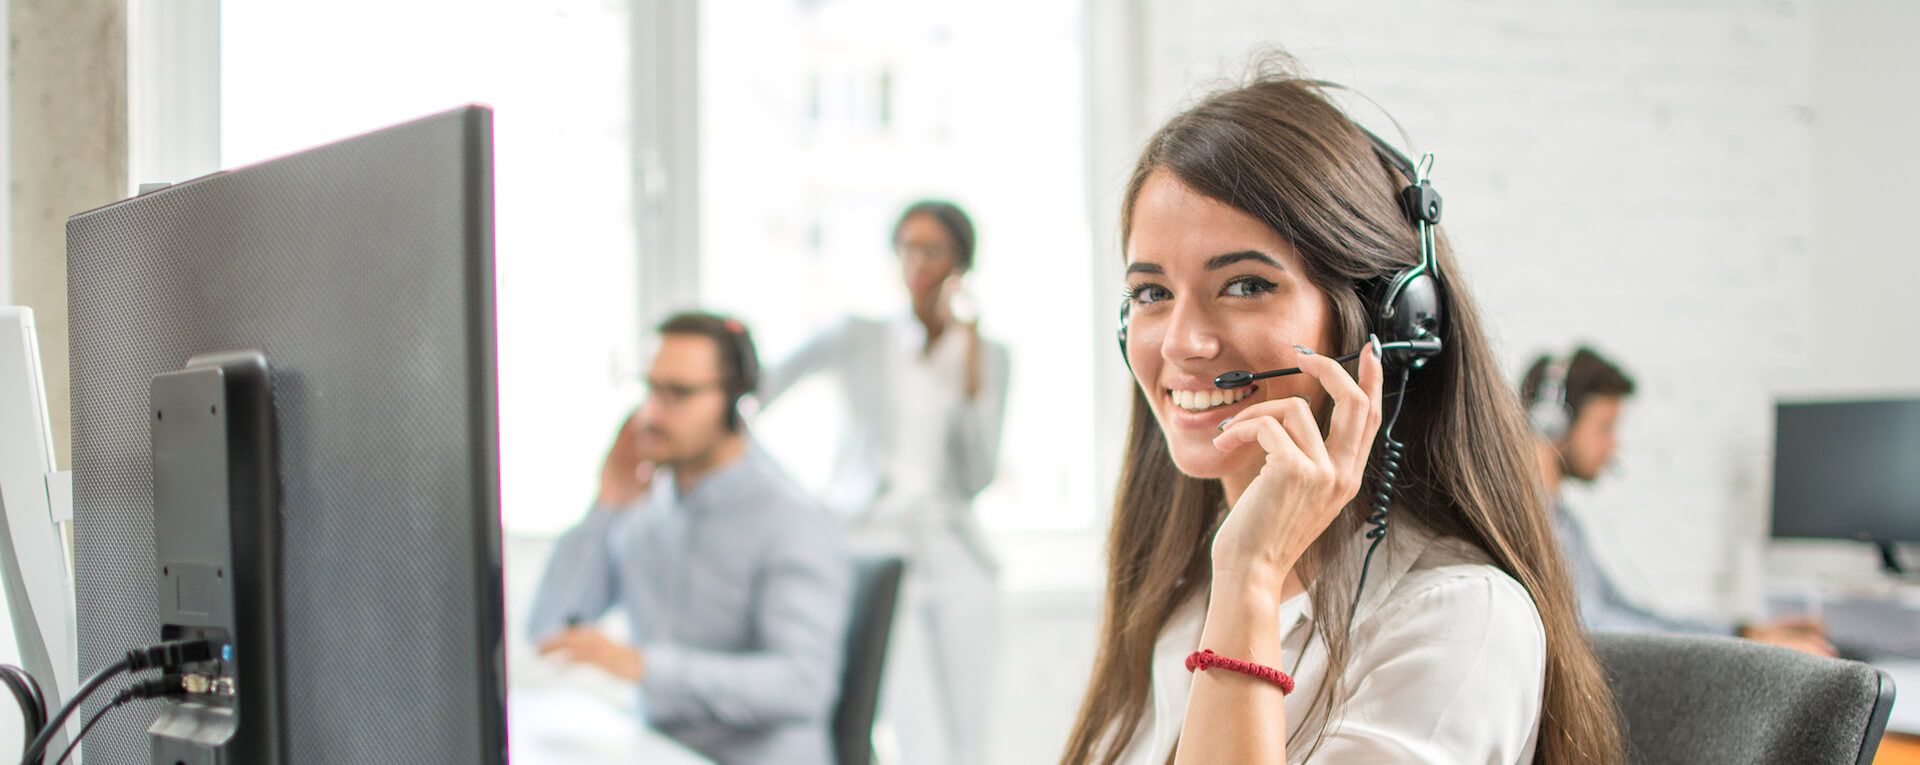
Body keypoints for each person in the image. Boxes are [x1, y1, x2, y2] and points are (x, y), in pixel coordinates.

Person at [1060, 61, 1623, 764]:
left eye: (1243, 284)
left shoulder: (1458, 620)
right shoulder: (1180, 594)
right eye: (1151, 293)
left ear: (1386, 321)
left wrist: (1252, 575)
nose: (1181, 342)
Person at [526, 311, 853, 765]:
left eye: (677, 393)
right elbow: (548, 631)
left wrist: (643, 665)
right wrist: (605, 506)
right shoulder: (641, 509)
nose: (652, 413)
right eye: (650, 389)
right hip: (657, 752)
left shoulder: (790, 519)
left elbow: (802, 686)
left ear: (734, 399)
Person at [759, 200, 1009, 765]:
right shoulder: (858, 337)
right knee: (910, 727)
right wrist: (803, 503)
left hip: (954, 551)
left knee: (971, 736)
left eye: (931, 249)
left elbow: (977, 478)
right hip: (873, 545)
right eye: (905, 247)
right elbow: (761, 390)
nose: (915, 262)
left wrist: (970, 369)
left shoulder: (987, 355)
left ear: (960, 264)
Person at [1520, 346, 1835, 656]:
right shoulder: (1531, 524)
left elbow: (1626, 614)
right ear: (1551, 422)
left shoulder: (1563, 521)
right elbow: (1595, 630)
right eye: (1605, 427)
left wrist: (1742, 633)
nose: (1613, 446)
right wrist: (1746, 652)